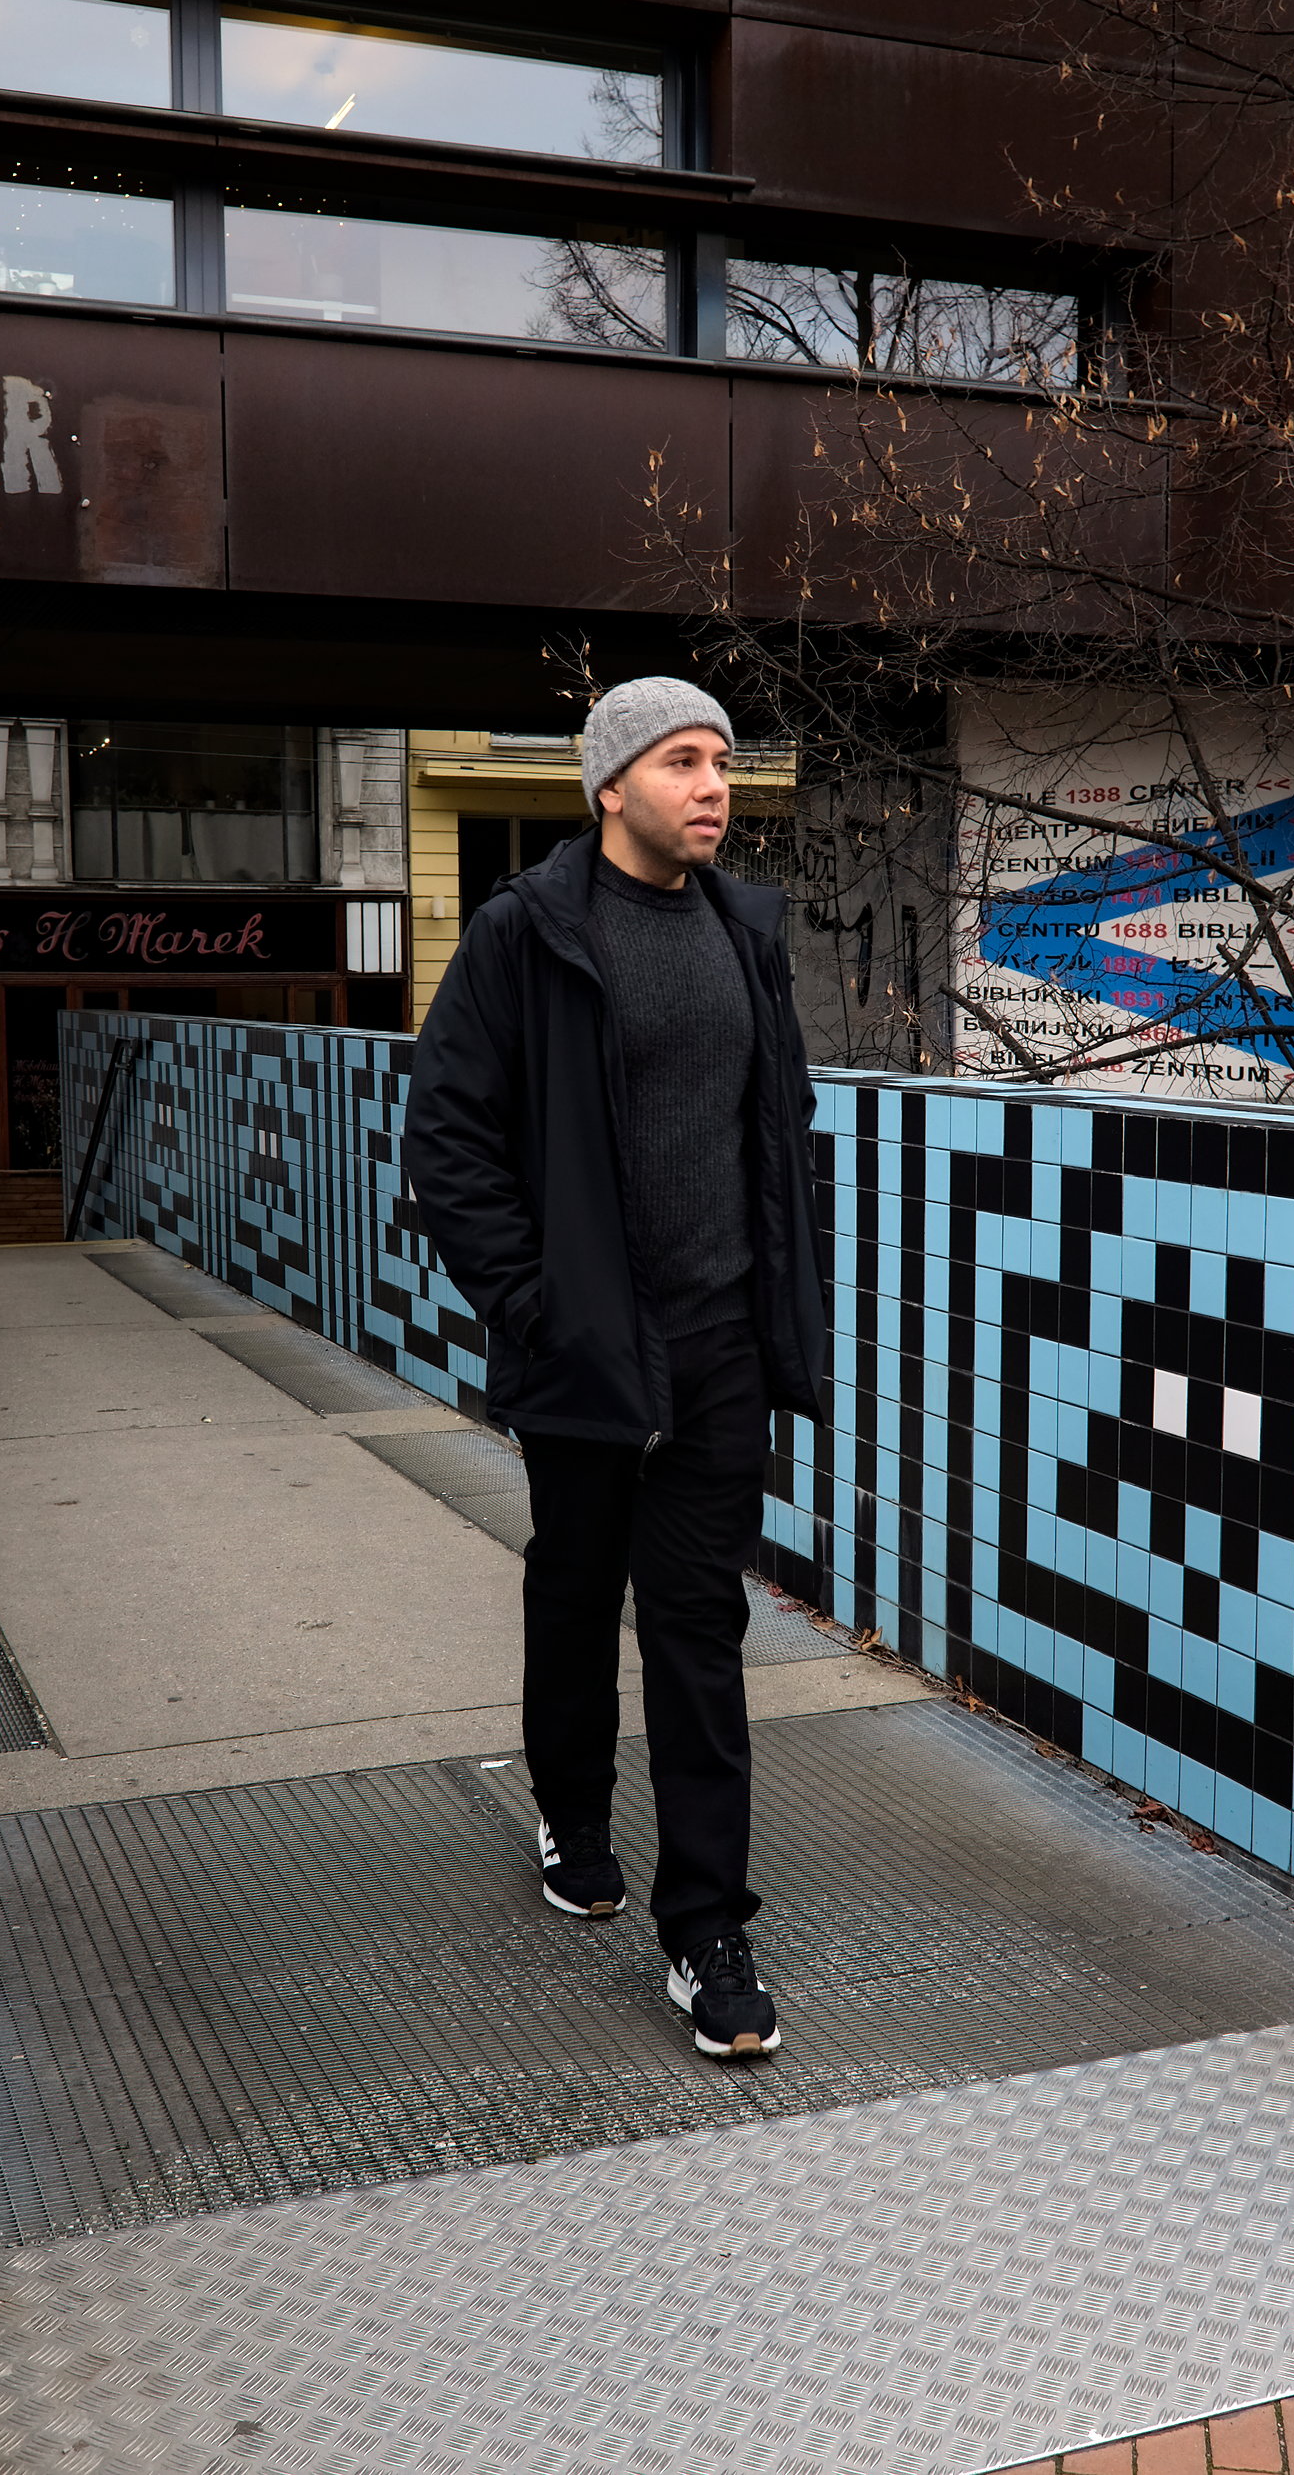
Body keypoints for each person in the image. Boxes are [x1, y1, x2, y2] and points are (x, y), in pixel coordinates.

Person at [402, 677, 825, 2059]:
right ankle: (571, 1811)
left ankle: (707, 1929)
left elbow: (772, 1137)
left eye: (722, 762)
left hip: (714, 1347)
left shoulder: (743, 934)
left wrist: (776, 1317)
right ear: (610, 788)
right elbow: (449, 1138)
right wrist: (531, 1306)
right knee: (576, 1590)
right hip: (584, 1342)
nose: (715, 785)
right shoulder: (529, 935)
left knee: (696, 1629)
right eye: (684, 762)